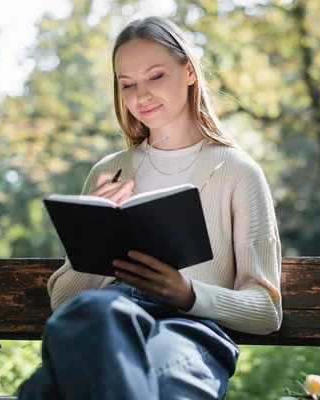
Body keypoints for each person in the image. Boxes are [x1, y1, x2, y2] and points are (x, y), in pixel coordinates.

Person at [18, 15, 282, 400]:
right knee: (96, 318)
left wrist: (188, 293)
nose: (141, 95)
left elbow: (266, 311)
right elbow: (64, 304)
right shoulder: (108, 172)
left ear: (188, 71)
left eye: (155, 76)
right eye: (127, 84)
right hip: (107, 319)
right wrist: (89, 236)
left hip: (190, 333)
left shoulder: (238, 171)